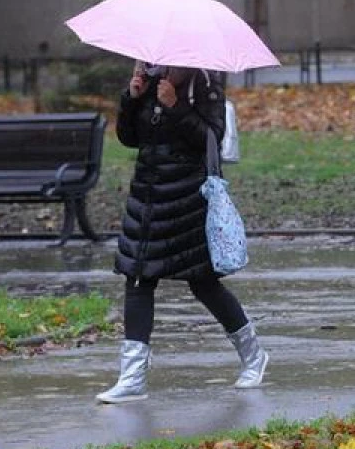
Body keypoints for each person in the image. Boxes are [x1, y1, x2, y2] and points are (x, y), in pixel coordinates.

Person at [97, 60, 269, 403]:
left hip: (188, 197)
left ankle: (254, 355)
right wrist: (131, 98)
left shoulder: (202, 82)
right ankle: (132, 378)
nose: (158, 62)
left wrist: (176, 106)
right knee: (137, 278)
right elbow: (130, 138)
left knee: (203, 282)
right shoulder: (150, 79)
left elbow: (211, 137)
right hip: (147, 196)